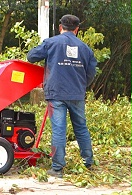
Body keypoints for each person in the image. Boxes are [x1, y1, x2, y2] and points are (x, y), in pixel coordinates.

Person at [27, 14, 97, 178]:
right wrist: (80, 85)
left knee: (59, 129)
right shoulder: (86, 49)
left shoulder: (51, 43)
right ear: (77, 29)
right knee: (81, 127)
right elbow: (91, 73)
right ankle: (89, 162)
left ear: (60, 27)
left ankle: (57, 168)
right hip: (76, 94)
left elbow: (31, 56)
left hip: (56, 94)